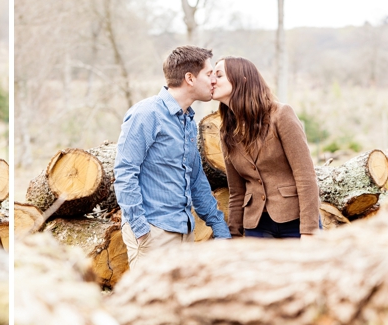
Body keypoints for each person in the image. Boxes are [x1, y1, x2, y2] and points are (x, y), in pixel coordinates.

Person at [114, 45, 231, 268]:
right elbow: (124, 173)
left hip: (184, 233)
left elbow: (196, 179)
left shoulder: (187, 120)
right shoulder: (147, 114)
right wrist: (140, 229)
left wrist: (219, 227)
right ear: (190, 78)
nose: (213, 81)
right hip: (153, 232)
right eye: (208, 74)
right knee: (150, 302)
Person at [212, 56, 319, 238]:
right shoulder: (226, 132)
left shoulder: (281, 115)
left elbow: (305, 176)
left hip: (295, 221)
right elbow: (237, 191)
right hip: (257, 225)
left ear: (242, 79)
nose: (212, 80)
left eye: (219, 75)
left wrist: (309, 231)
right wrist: (235, 235)